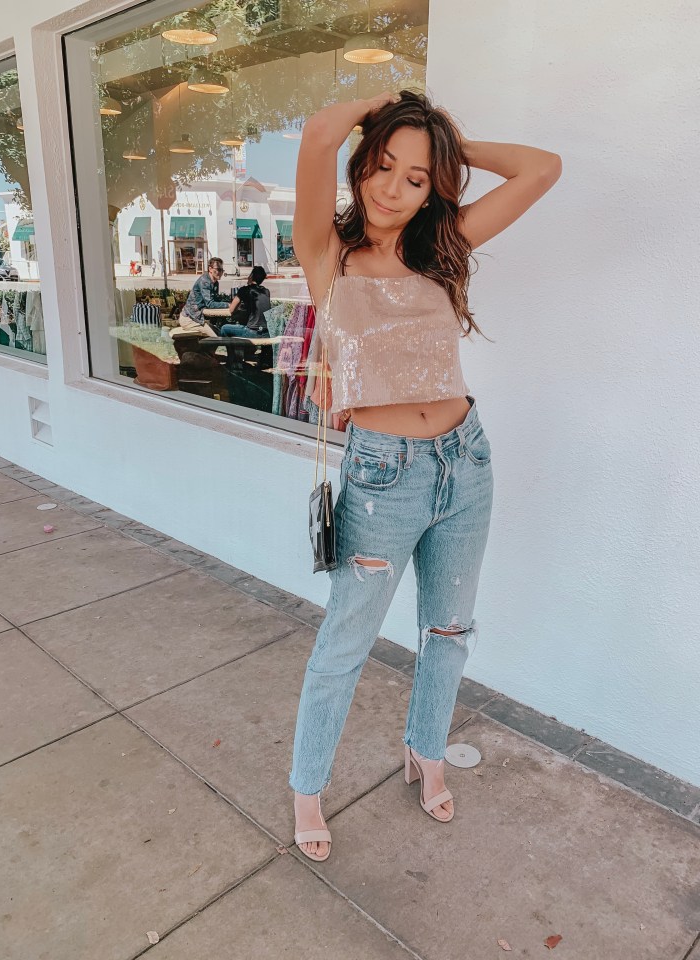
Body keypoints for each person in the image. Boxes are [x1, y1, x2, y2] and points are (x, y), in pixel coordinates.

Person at [288, 89, 562, 862]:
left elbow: (542, 169)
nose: (393, 188)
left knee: (448, 631)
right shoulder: (326, 252)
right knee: (345, 642)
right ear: (361, 164)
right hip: (384, 477)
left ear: (432, 188)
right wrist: (384, 105)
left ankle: (426, 751)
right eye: (383, 165)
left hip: (465, 461)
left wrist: (450, 149)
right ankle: (307, 788)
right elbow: (318, 132)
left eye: (415, 178)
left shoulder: (444, 246)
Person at [177, 257, 227, 338]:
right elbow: (210, 304)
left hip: (198, 318)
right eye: (218, 269)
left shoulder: (215, 283)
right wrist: (228, 305)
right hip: (189, 319)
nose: (220, 272)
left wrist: (227, 304)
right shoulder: (205, 281)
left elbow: (215, 301)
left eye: (222, 270)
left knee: (220, 334)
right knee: (216, 338)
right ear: (210, 269)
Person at [218, 265, 272, 338]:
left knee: (224, 328)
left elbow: (231, 310)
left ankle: (231, 346)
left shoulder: (244, 290)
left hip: (252, 332)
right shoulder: (266, 291)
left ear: (251, 276)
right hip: (266, 332)